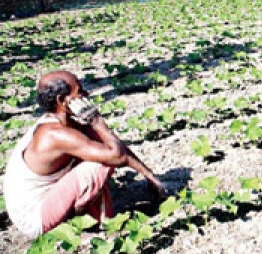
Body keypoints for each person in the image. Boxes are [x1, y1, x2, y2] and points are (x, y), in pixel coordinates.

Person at [3, 70, 165, 239]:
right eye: (79, 91)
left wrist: (149, 175)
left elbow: (114, 146)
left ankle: (83, 215)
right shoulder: (56, 134)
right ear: (62, 101)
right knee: (100, 164)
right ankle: (105, 227)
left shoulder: (65, 123)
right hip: (34, 218)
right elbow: (116, 156)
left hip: (44, 199)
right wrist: (96, 121)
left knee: (101, 150)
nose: (86, 94)